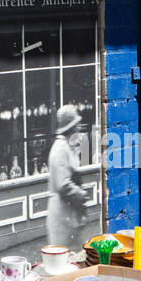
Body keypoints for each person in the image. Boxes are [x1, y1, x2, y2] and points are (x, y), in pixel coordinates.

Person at [46, 105, 90, 249]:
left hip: (68, 214)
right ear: (70, 128)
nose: (79, 129)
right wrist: (81, 194)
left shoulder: (66, 147)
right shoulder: (60, 148)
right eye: (76, 126)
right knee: (63, 259)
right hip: (62, 215)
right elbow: (63, 185)